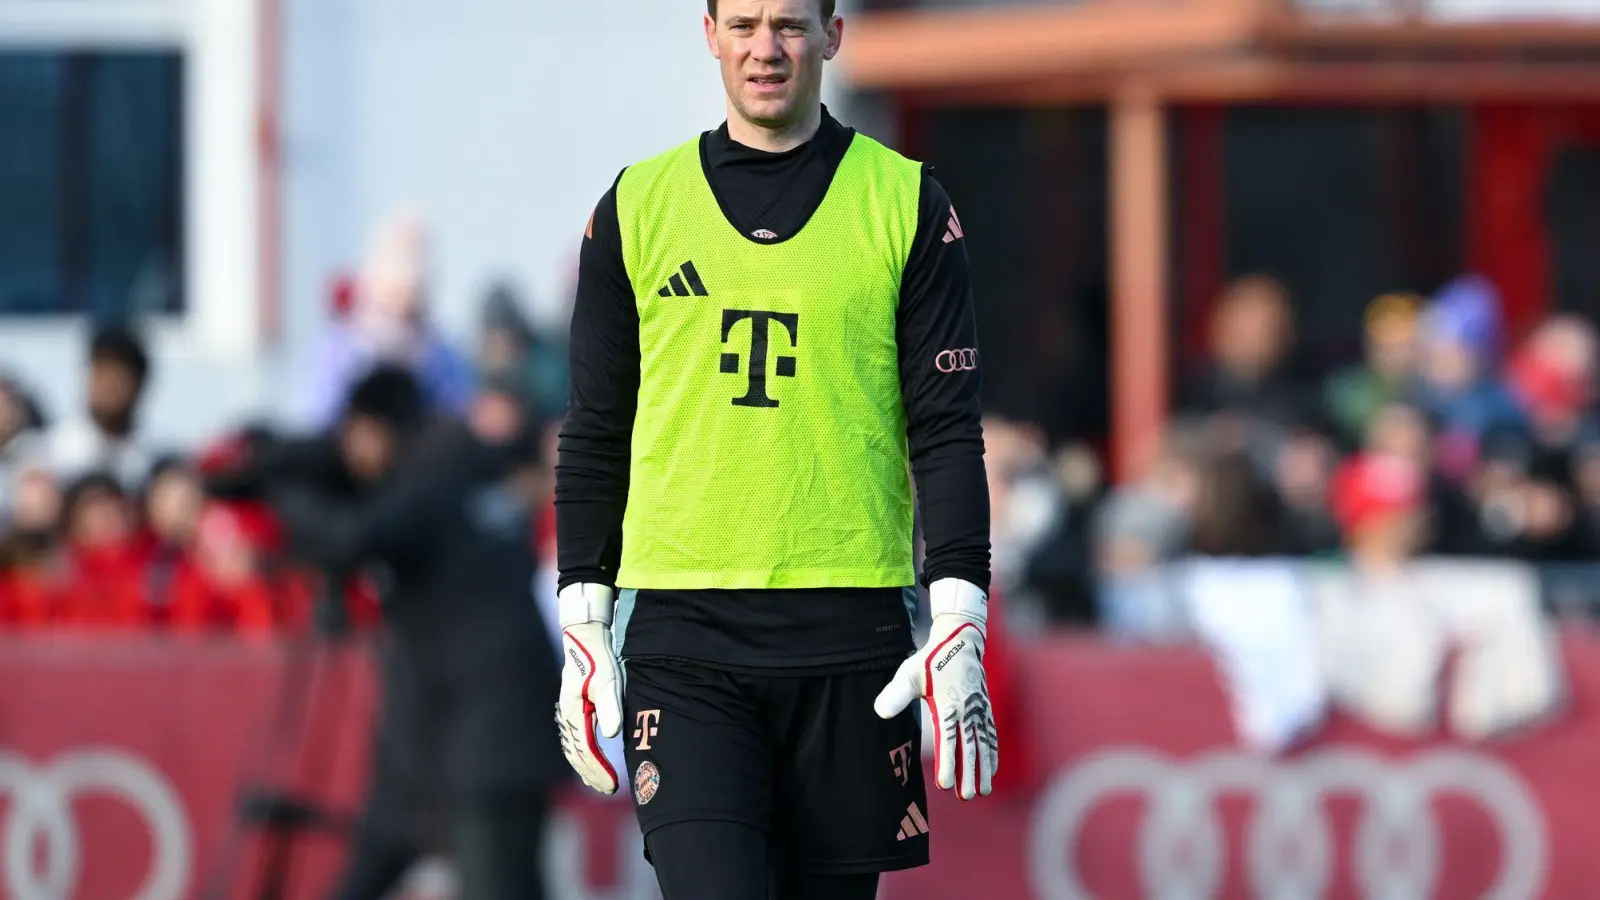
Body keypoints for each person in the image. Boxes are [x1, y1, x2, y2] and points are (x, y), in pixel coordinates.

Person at [554, 2, 997, 899]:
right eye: (746, 22)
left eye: (791, 25)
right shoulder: (637, 205)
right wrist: (584, 626)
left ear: (833, 36)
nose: (767, 48)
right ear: (710, 33)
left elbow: (946, 428)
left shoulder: (905, 201)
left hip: (850, 633)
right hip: (687, 639)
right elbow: (595, 432)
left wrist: (962, 612)